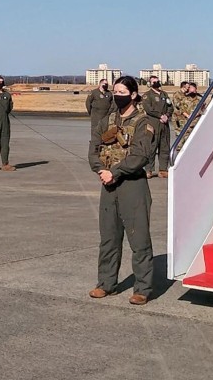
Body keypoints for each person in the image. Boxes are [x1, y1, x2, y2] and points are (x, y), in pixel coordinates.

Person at [88, 75, 155, 305]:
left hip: (132, 186)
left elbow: (140, 156)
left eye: (122, 92)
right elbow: (93, 148)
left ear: (133, 95)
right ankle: (106, 283)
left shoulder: (144, 123)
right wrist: (100, 170)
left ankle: (142, 288)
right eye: (115, 91)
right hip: (108, 186)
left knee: (139, 239)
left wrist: (114, 172)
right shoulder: (107, 121)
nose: (117, 96)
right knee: (108, 237)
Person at [142, 75, 173, 178]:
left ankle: (163, 169)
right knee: (151, 147)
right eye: (153, 81)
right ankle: (149, 170)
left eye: (157, 81)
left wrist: (166, 116)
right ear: (150, 84)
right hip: (153, 123)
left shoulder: (164, 94)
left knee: (164, 146)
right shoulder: (147, 95)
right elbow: (148, 109)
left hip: (164, 124)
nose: (156, 83)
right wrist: (159, 116)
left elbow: (170, 107)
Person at [172, 81, 204, 155]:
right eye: (188, 88)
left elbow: (203, 108)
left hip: (195, 122)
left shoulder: (199, 98)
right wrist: (187, 115)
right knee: (181, 140)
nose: (189, 89)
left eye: (191, 88)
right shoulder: (182, 97)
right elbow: (180, 107)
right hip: (182, 121)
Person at [85, 78, 115, 157]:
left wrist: (110, 113)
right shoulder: (94, 92)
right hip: (96, 117)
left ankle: (104, 150)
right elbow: (88, 102)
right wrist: (90, 112)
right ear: (100, 84)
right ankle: (93, 151)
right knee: (95, 134)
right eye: (104, 84)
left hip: (106, 117)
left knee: (105, 134)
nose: (106, 85)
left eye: (107, 84)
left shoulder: (109, 94)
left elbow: (112, 104)